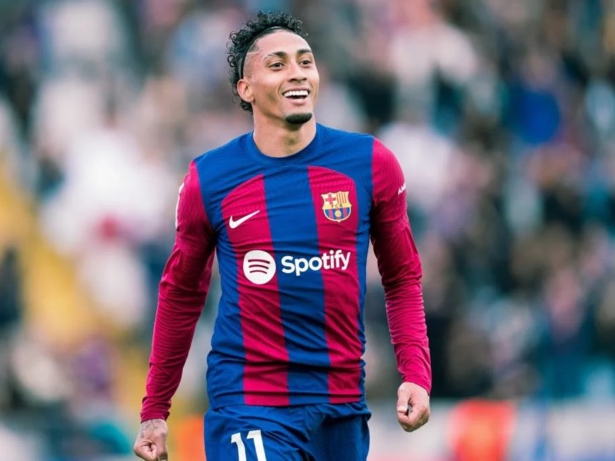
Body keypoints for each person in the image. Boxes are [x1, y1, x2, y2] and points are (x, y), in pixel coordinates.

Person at [134, 10, 431, 461]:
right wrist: (155, 408)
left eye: (305, 61)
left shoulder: (370, 164)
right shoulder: (210, 179)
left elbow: (402, 278)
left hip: (341, 406)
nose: (297, 73)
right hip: (249, 405)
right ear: (246, 89)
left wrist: (415, 373)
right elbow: (181, 294)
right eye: (277, 64)